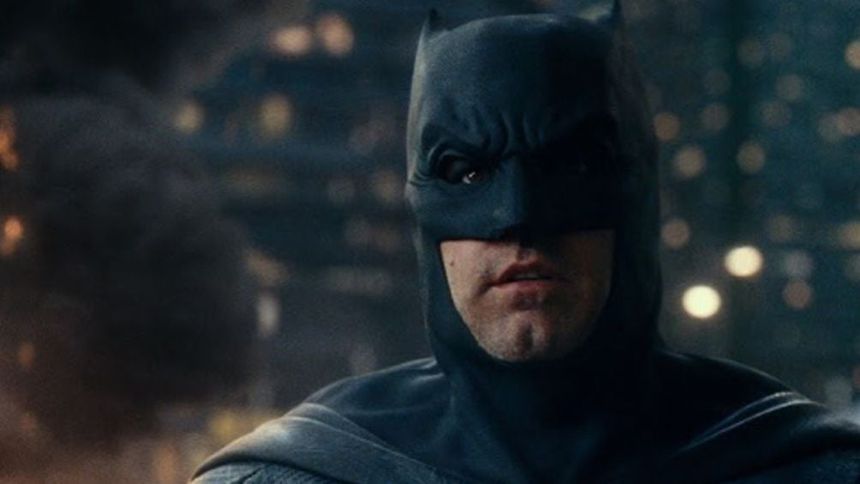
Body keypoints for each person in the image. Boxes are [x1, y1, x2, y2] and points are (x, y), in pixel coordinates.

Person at [193, 3, 860, 483]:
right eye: (466, 171)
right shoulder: (296, 473)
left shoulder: (806, 465)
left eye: (573, 165)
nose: (518, 219)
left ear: (636, 201)